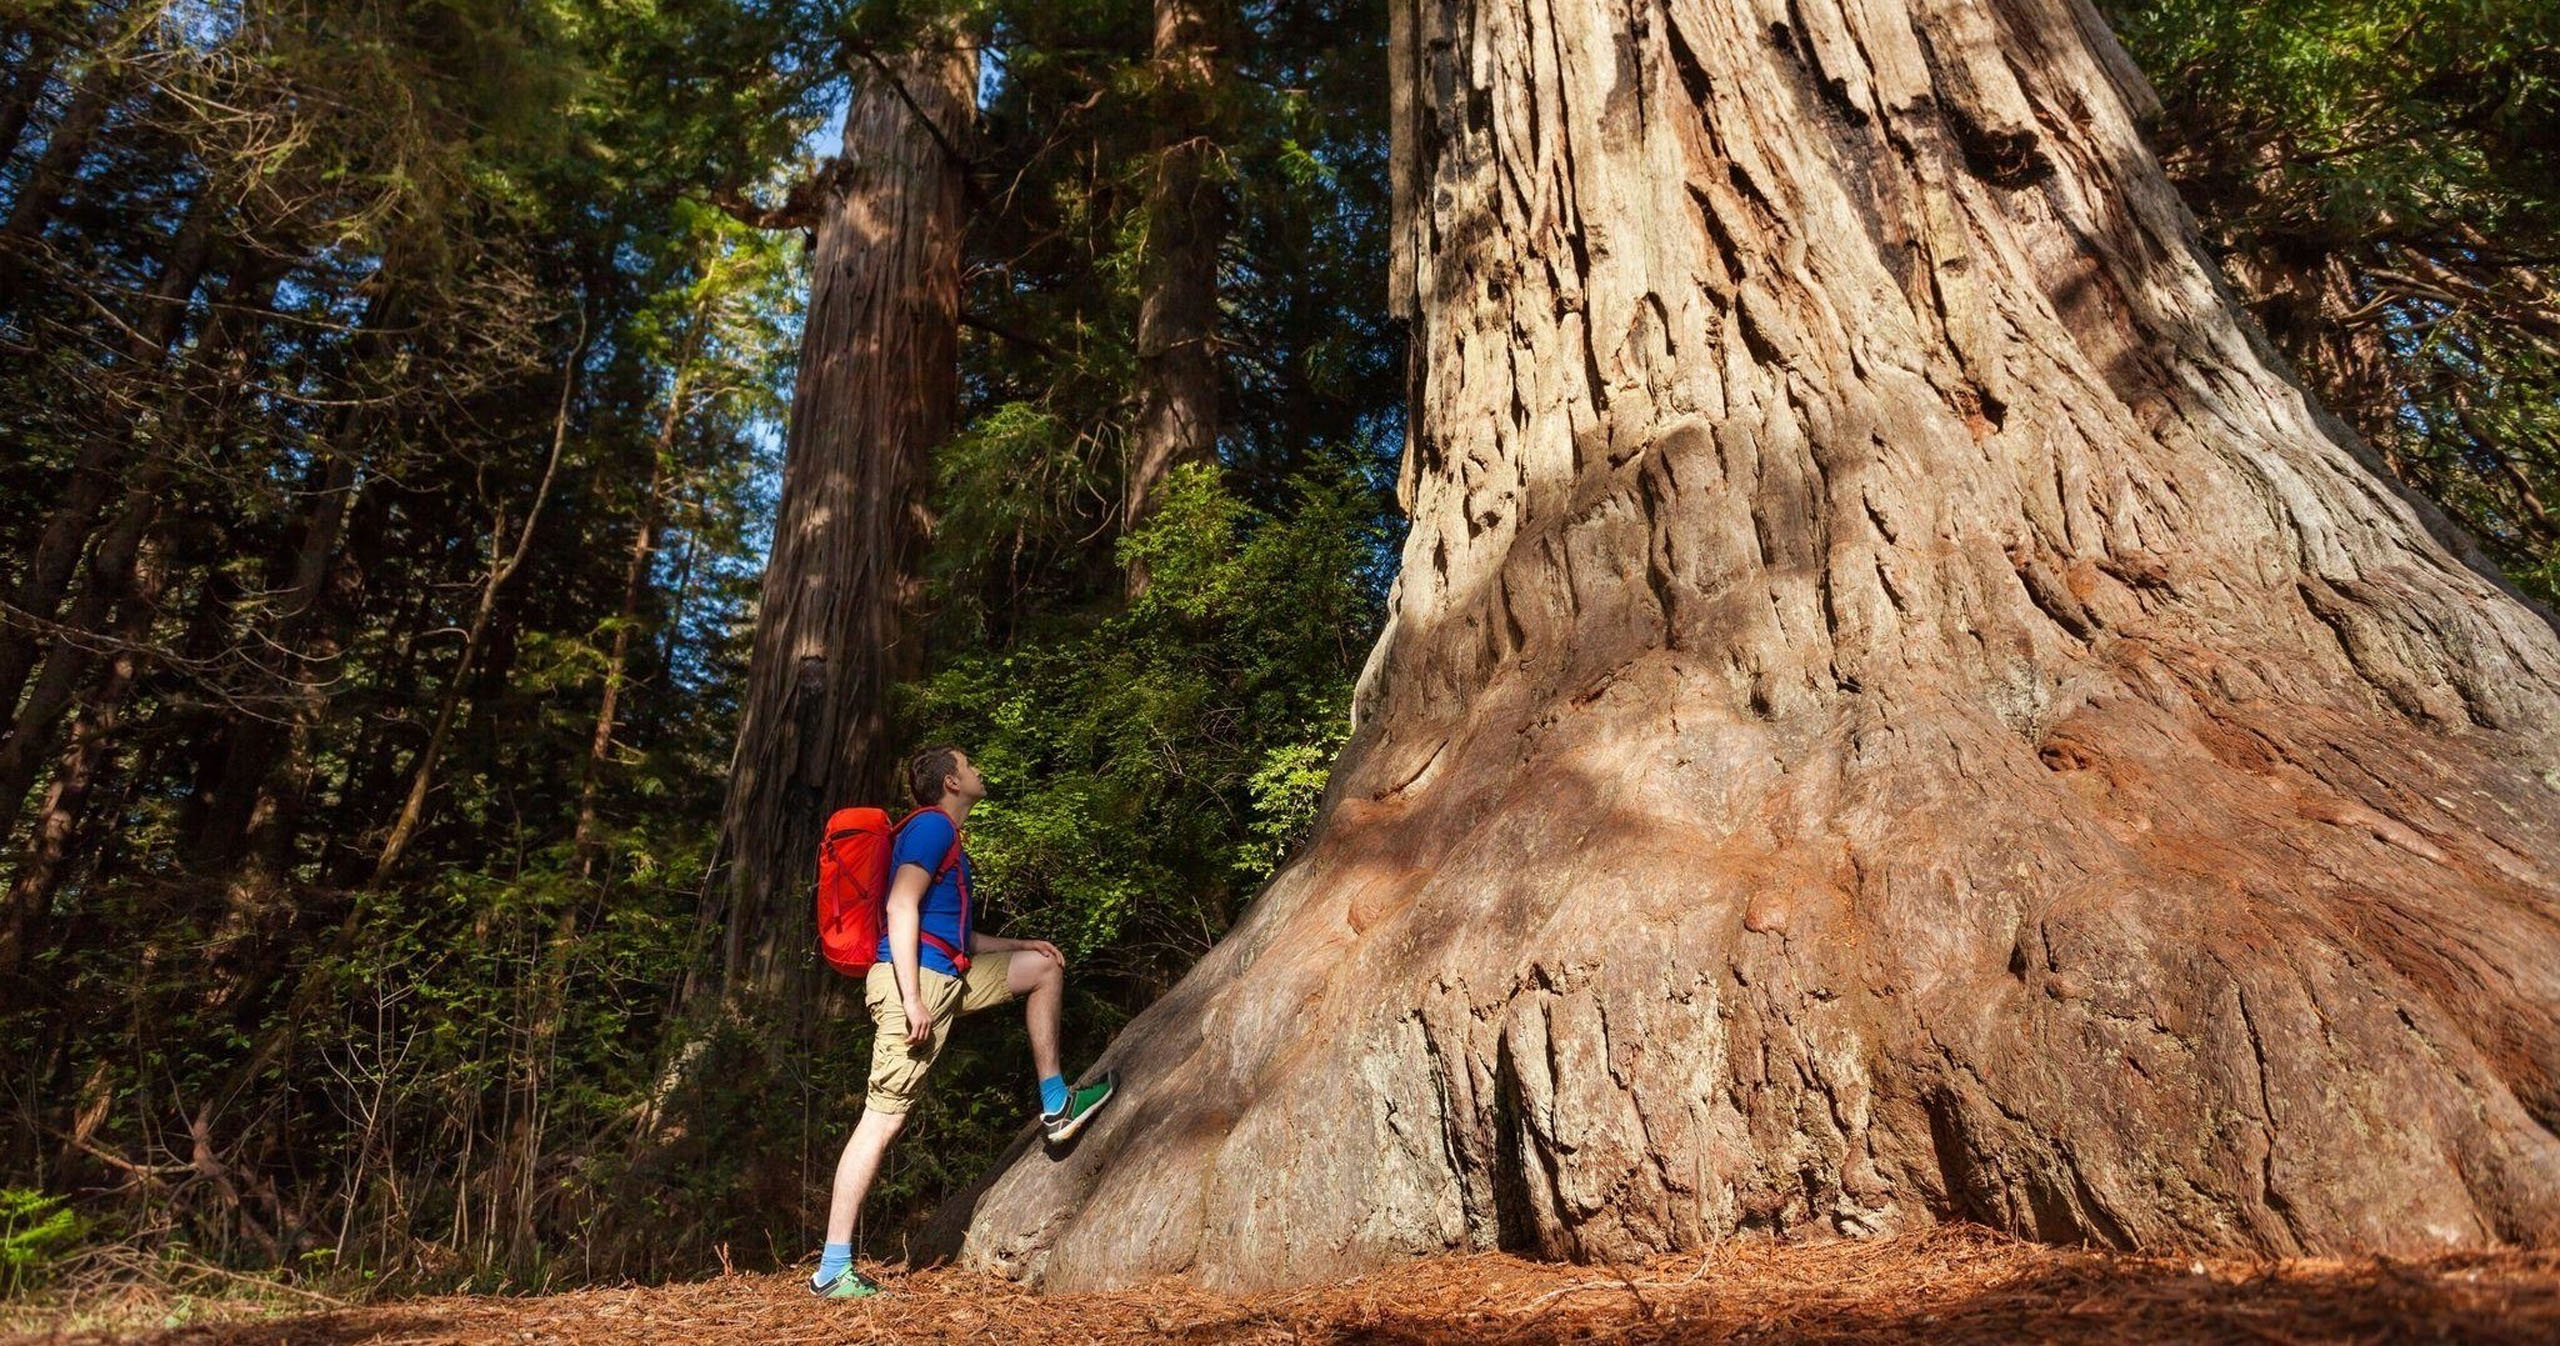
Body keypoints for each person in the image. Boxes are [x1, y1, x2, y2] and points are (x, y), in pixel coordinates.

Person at [809, 743, 1117, 1299]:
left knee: (1043, 968)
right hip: (917, 982)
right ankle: (833, 1268)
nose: (978, 770)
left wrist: (1022, 942)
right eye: (970, 764)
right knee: (881, 1119)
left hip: (945, 972)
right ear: (952, 781)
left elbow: (955, 935)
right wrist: (910, 998)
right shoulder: (930, 830)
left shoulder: (945, 839)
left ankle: (1056, 1102)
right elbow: (901, 907)